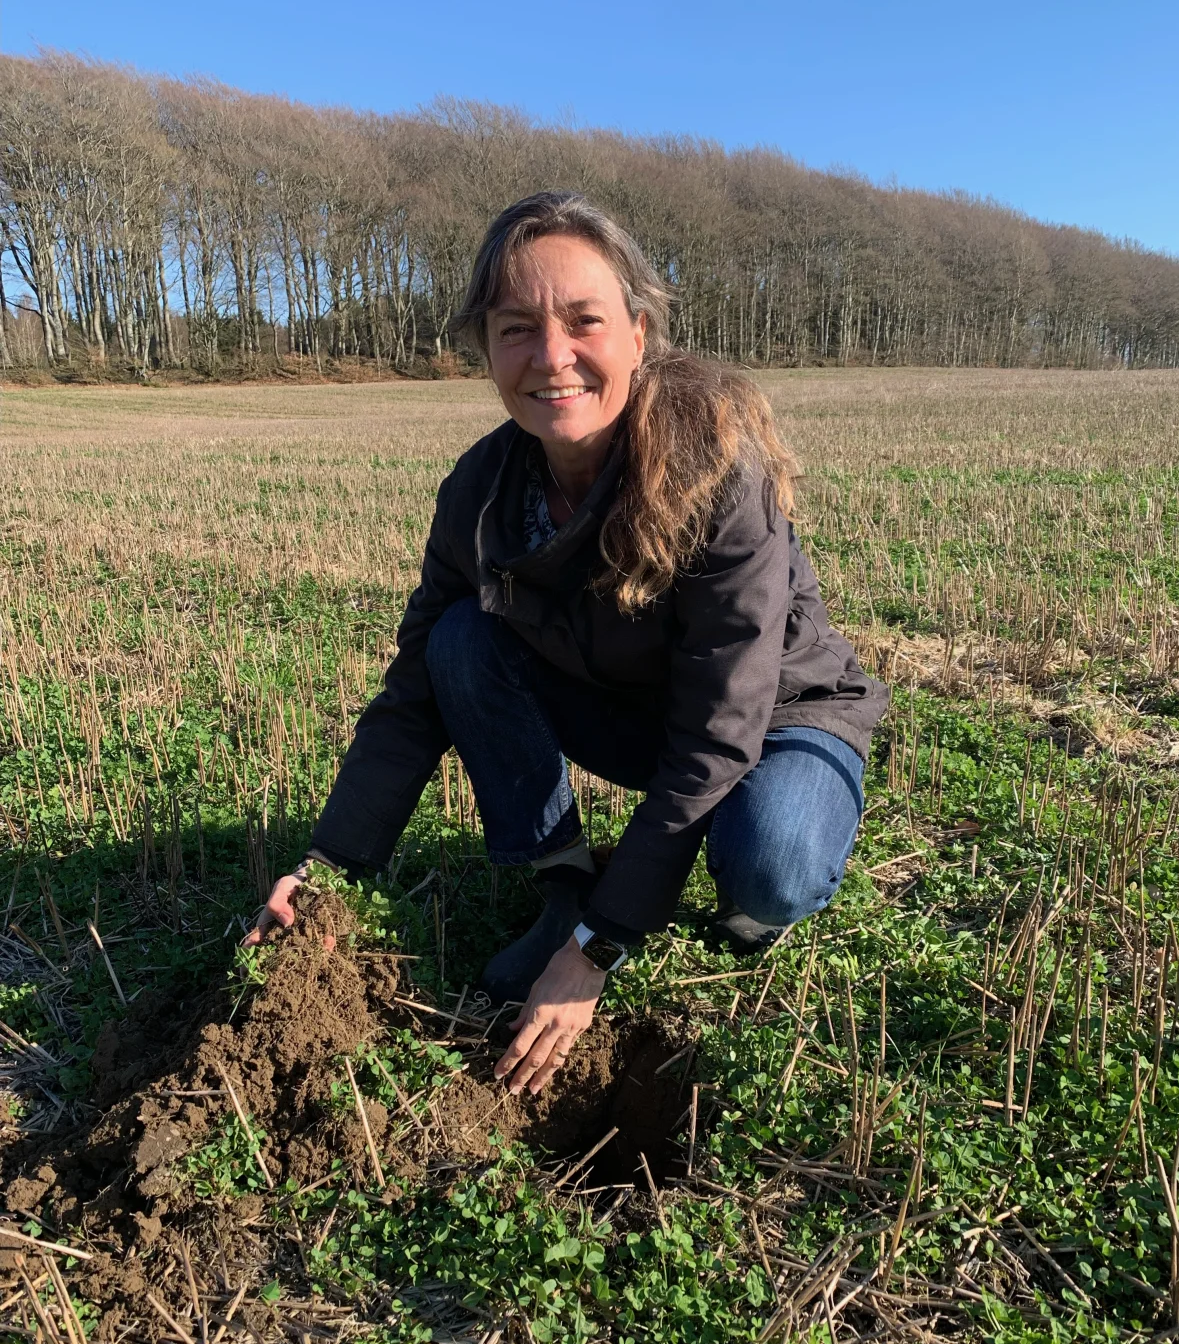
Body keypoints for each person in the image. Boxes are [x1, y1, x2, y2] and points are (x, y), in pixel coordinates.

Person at [246, 193, 888, 1097]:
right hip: (628, 712)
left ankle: (719, 901)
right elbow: (415, 695)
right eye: (516, 329)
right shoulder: (480, 489)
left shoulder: (715, 475)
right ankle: (563, 887)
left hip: (776, 719)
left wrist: (601, 951)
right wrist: (330, 866)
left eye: (583, 321)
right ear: (485, 352)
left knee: (772, 865)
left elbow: (718, 732)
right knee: (463, 641)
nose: (552, 358)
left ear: (638, 331)